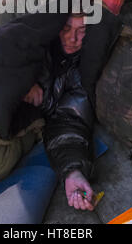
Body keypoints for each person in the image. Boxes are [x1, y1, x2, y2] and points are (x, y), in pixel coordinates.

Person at [23, 14, 95, 211]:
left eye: (82, 31)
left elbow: (68, 120)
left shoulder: (76, 73)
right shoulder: (32, 44)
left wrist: (73, 171)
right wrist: (21, 82)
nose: (72, 39)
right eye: (66, 28)